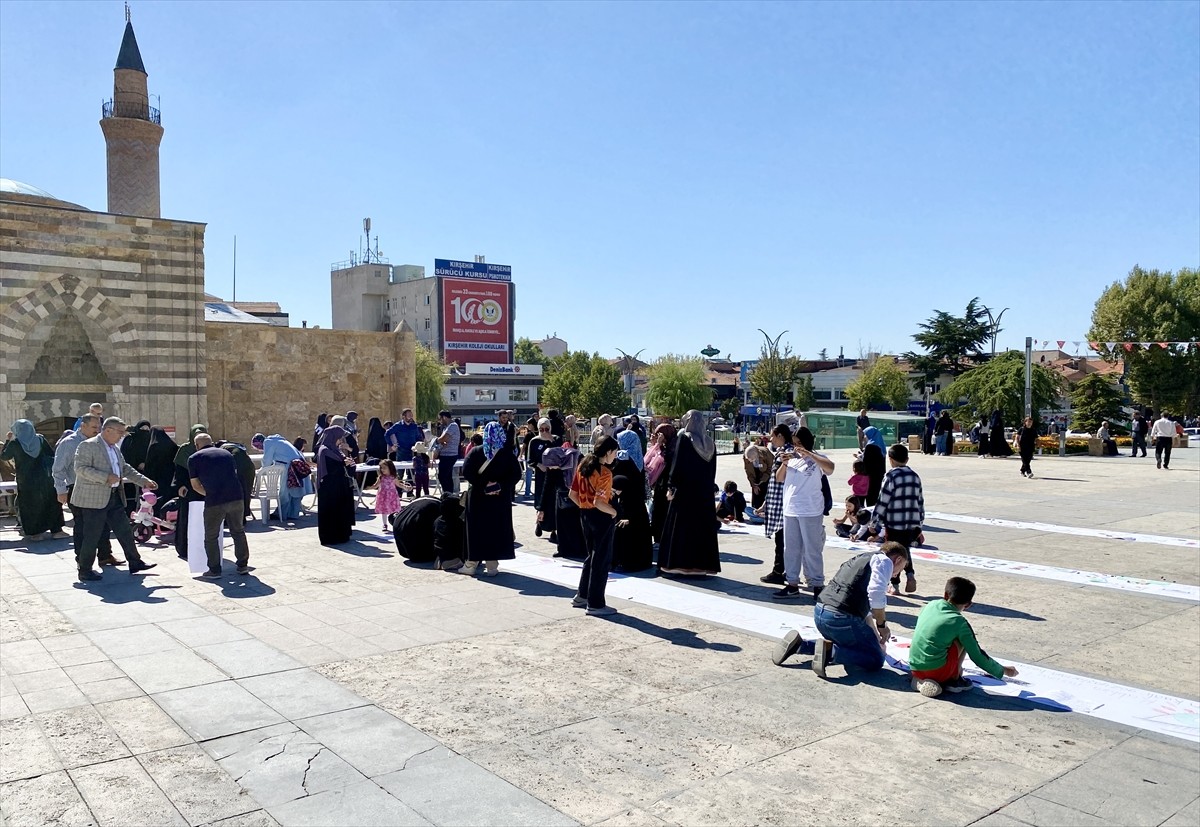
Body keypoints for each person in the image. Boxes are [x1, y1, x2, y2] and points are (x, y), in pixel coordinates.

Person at [772, 542, 911, 677]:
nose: (895, 575)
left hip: (821, 613)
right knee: (875, 659)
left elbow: (867, 612)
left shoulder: (862, 558)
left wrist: (876, 637)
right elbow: (876, 594)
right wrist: (882, 625)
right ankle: (831, 652)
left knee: (854, 645)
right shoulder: (884, 561)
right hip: (841, 618)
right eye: (900, 569)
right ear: (898, 559)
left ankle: (800, 645)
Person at [69, 417, 159, 581]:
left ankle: (135, 562)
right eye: (120, 432)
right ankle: (85, 569)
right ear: (108, 430)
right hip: (93, 500)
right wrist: (105, 477)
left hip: (114, 496)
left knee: (125, 530)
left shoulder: (114, 448)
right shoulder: (88, 446)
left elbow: (125, 468)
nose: (122, 436)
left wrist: (143, 480)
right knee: (92, 535)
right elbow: (81, 469)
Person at [909, 577, 1019, 697]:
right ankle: (953, 680)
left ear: (945, 595)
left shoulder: (931, 605)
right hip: (938, 671)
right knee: (963, 639)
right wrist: (1003, 670)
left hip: (915, 667)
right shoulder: (959, 622)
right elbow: (977, 656)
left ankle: (920, 680)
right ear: (968, 605)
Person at [771, 427, 834, 600]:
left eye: (799, 443)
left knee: (812, 549)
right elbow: (779, 478)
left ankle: (817, 584)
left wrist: (810, 454)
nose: (796, 447)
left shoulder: (817, 459)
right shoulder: (792, 459)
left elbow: (830, 468)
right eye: (794, 443)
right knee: (791, 549)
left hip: (811, 509)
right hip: (791, 509)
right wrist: (784, 463)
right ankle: (792, 584)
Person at [52, 414, 122, 565]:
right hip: (76, 490)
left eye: (99, 428)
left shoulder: (100, 443)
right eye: (94, 427)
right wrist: (61, 490)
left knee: (103, 524)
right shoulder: (69, 443)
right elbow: (58, 469)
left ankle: (105, 555)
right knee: (83, 527)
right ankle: (81, 560)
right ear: (83, 426)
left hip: (100, 490)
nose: (97, 431)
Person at [658, 410, 720, 577]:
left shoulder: (685, 438)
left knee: (681, 529)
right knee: (701, 529)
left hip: (685, 493)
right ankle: (701, 567)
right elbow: (712, 470)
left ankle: (679, 565)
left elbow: (678, 465)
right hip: (704, 494)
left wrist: (671, 487)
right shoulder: (710, 442)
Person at [461, 421, 521, 576]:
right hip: (499, 499)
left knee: (476, 529)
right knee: (495, 529)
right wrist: (499, 485)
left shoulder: (475, 451)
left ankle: (471, 563)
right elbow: (516, 474)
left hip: (478, 498)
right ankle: (492, 564)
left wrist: (484, 485)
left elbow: (467, 472)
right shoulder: (506, 453)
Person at [188, 433, 252, 578]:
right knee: (238, 531)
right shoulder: (227, 454)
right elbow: (234, 473)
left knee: (211, 536)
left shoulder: (194, 458)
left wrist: (209, 493)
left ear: (197, 445)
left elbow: (195, 485)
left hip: (214, 501)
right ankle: (242, 565)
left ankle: (214, 570)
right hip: (236, 497)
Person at [570, 435, 620, 616]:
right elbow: (600, 502)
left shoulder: (582, 466)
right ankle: (596, 603)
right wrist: (614, 512)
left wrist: (585, 507)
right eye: (614, 452)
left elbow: (572, 494)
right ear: (608, 452)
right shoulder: (604, 473)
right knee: (601, 560)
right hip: (600, 517)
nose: (615, 456)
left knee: (591, 556)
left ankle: (582, 595)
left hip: (585, 513)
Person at [2, 419, 67, 540]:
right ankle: (56, 530)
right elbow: (51, 455)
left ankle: (36, 533)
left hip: (26, 481)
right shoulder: (40, 439)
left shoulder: (15, 444)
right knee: (51, 503)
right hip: (45, 479)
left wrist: (7, 441)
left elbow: (4, 456)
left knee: (30, 506)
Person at [873, 443, 924, 595]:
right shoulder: (915, 476)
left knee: (892, 553)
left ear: (890, 459)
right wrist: (920, 521)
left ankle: (894, 584)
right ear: (907, 459)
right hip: (911, 522)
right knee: (905, 549)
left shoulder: (891, 476)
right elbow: (920, 500)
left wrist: (875, 520)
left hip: (894, 521)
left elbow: (883, 499)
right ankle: (910, 574)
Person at [611, 429, 653, 572]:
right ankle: (642, 560)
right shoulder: (637, 456)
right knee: (639, 528)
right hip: (638, 499)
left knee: (626, 530)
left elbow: (616, 474)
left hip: (626, 498)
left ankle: (627, 561)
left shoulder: (624, 457)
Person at [759, 423, 793, 586]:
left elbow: (781, 479)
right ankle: (783, 570)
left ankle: (779, 571)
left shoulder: (786, 453)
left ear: (780, 436)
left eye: (773, 436)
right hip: (779, 501)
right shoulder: (781, 452)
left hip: (783, 504)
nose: (771, 439)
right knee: (782, 540)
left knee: (782, 540)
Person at [172, 424, 208, 561]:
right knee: (187, 518)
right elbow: (179, 470)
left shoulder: (211, 449)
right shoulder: (185, 450)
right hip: (189, 489)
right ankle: (184, 547)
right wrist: (180, 485)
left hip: (205, 489)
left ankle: (204, 547)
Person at [316, 425, 355, 545]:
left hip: (339, 486)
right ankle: (331, 537)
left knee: (341, 510)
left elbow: (341, 462)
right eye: (339, 438)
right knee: (331, 513)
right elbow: (330, 470)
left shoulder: (335, 450)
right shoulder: (325, 450)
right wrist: (343, 463)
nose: (340, 441)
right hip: (329, 488)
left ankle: (342, 534)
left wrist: (348, 463)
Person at [261, 433, 311, 520]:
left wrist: (263, 470)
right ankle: (293, 514)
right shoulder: (282, 441)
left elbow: (267, 460)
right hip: (298, 465)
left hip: (289, 467)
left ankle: (282, 514)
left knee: (284, 492)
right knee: (296, 491)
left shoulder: (268, 442)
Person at [647, 422, 677, 544]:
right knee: (657, 512)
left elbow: (662, 461)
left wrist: (659, 446)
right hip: (660, 485)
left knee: (663, 512)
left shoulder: (673, 448)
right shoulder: (664, 447)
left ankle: (663, 539)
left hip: (667, 486)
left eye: (660, 434)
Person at [120, 419, 154, 514]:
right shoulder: (130, 439)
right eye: (142, 428)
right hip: (131, 473)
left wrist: (146, 463)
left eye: (147, 428)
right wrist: (135, 464)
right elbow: (124, 455)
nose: (145, 430)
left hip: (147, 472)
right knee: (131, 496)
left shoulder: (150, 439)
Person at [143, 427, 179, 495]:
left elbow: (149, 464)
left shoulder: (154, 446)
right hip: (170, 474)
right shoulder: (172, 444)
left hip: (157, 476)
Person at [742, 437, 773, 513]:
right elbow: (749, 472)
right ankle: (755, 512)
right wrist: (754, 485)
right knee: (756, 494)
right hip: (755, 475)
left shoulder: (765, 452)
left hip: (766, 475)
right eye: (748, 459)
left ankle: (765, 513)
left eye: (752, 459)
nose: (750, 461)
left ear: (756, 455)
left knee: (765, 494)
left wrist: (763, 480)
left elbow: (771, 468)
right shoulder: (747, 456)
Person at [435, 410, 463, 493]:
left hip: (449, 455)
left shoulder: (452, 426)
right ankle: (448, 494)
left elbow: (443, 439)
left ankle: (447, 494)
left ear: (444, 417)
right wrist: (441, 441)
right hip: (446, 455)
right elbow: (443, 440)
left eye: (440, 419)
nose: (440, 421)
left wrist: (436, 440)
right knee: (447, 477)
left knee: (443, 476)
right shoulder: (447, 427)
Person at [374, 459, 405, 531]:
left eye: (384, 468)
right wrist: (368, 487)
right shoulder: (381, 477)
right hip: (383, 496)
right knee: (384, 510)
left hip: (392, 496)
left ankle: (396, 523)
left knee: (394, 510)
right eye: (381, 468)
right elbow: (376, 485)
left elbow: (398, 484)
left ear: (390, 468)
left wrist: (405, 487)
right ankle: (384, 524)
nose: (382, 470)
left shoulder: (393, 477)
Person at [860, 426, 887, 506]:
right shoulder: (880, 445)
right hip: (879, 475)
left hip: (870, 477)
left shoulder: (870, 447)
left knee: (870, 498)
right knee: (875, 496)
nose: (865, 437)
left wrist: (860, 458)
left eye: (866, 434)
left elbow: (866, 462)